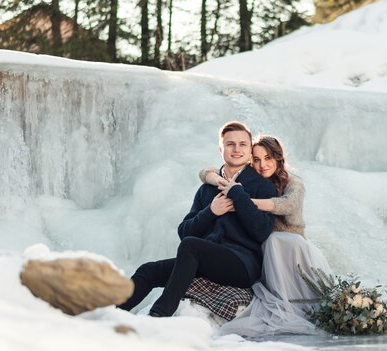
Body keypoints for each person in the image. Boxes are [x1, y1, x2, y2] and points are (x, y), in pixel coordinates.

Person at [118, 121, 277, 317]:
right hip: (206, 259)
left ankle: (159, 313)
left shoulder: (263, 186)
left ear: (250, 149)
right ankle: (107, 315)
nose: (237, 149)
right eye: (230, 144)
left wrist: (238, 194)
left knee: (192, 246)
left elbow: (262, 231)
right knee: (148, 270)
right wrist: (211, 211)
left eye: (243, 144)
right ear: (221, 148)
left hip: (242, 264)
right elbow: (184, 232)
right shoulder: (207, 189)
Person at [199, 135, 332, 336]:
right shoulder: (252, 181)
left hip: (292, 247)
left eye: (268, 158)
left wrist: (242, 200)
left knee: (274, 240)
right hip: (266, 249)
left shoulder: (293, 183)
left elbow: (287, 205)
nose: (262, 165)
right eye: (257, 159)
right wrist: (217, 180)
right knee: (266, 242)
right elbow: (205, 171)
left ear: (278, 159)